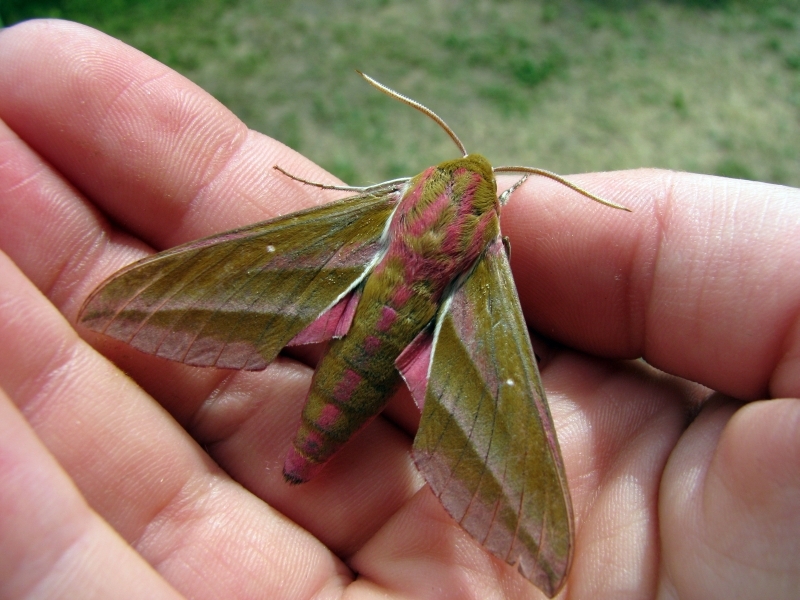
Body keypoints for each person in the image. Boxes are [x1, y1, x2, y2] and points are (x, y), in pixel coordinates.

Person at [0, 19, 798, 600]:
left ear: (406, 199)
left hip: (343, 316)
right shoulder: (492, 264)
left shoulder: (377, 213)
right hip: (396, 368)